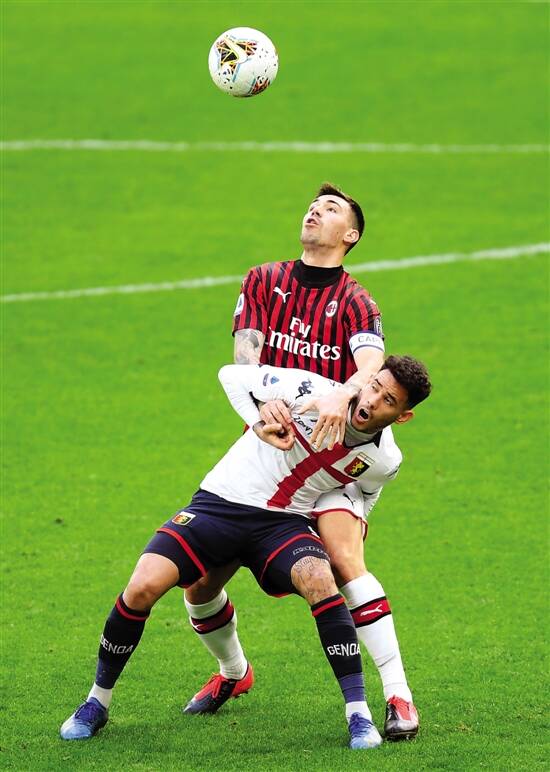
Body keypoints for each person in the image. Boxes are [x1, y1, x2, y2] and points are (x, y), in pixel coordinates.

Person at [60, 356, 431, 750]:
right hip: (219, 503)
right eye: (374, 386)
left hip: (283, 522)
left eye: (388, 400)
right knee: (143, 586)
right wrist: (256, 419)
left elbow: (368, 490)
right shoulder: (309, 390)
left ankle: (358, 714)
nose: (372, 400)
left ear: (402, 416)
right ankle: (97, 702)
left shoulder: (385, 460)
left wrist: (355, 525)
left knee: (320, 579)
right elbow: (231, 375)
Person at [184, 183, 420, 740]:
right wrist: (258, 411)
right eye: (314, 205)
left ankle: (398, 696)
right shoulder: (263, 279)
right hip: (271, 452)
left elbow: (372, 366)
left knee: (344, 561)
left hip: (337, 454)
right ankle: (234, 672)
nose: (315, 210)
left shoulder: (358, 302)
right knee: (200, 585)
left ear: (350, 234)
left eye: (332, 208)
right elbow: (245, 362)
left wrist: (344, 395)